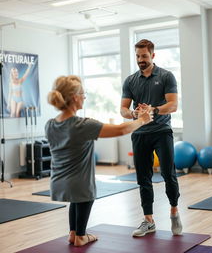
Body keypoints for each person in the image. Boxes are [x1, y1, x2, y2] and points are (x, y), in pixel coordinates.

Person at [45, 75, 153, 247]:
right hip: (80, 184)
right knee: (85, 195)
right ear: (74, 97)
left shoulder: (50, 124)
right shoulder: (82, 125)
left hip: (58, 183)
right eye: (83, 94)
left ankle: (73, 233)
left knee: (76, 198)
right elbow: (121, 129)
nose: (85, 97)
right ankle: (81, 236)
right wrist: (142, 119)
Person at [120, 39, 182, 237]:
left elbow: (173, 105)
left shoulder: (166, 76)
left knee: (168, 174)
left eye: (144, 56)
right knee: (143, 178)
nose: (140, 60)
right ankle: (149, 220)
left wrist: (153, 110)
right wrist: (133, 114)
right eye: (138, 56)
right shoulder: (130, 81)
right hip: (139, 133)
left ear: (152, 55)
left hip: (162, 132)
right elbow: (123, 108)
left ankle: (174, 211)